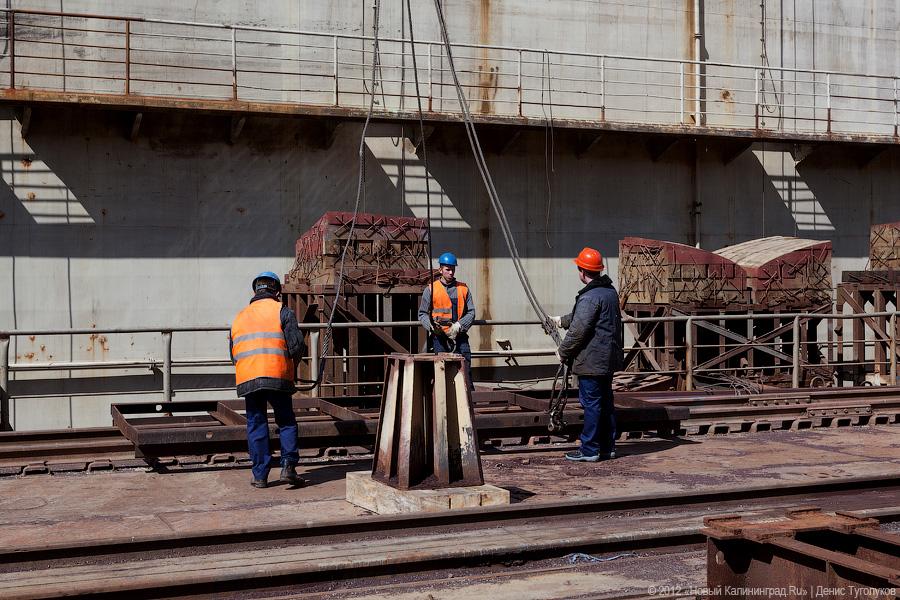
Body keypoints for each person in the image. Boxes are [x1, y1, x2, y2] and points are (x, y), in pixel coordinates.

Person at [229, 271, 307, 488]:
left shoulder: (239, 316)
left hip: (249, 378)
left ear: (255, 291)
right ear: (277, 291)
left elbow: (233, 354)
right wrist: (292, 366)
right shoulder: (283, 311)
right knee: (286, 421)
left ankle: (260, 476)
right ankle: (288, 467)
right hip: (278, 376)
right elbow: (297, 346)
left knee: (256, 423)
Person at [551, 248, 623, 462]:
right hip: (607, 360)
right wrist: (561, 320)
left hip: (591, 361)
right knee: (606, 403)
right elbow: (581, 317)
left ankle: (590, 449)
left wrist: (563, 352)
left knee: (591, 404)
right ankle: (607, 447)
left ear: (582, 271)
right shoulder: (609, 293)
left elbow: (580, 329)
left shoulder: (589, 297)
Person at [418, 252, 476, 389]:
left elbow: (471, 312)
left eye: (453, 269)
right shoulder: (431, 290)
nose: (451, 272)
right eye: (447, 269)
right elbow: (422, 314)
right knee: (441, 373)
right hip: (440, 339)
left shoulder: (463, 289)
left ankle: (467, 403)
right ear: (440, 270)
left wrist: (459, 326)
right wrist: (431, 327)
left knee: (465, 371)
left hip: (460, 337)